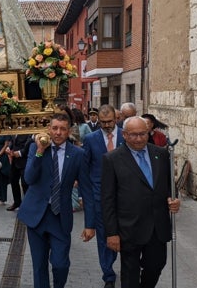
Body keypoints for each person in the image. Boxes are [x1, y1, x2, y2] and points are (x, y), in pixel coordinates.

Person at [17, 113, 95, 288]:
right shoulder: (35, 149)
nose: (58, 132)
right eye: (55, 128)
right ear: (48, 129)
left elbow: (87, 191)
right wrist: (39, 151)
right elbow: (29, 178)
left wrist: (90, 224)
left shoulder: (78, 154)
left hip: (60, 218)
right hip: (36, 216)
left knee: (60, 265)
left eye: (63, 129)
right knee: (39, 266)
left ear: (69, 131)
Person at [101, 116, 181, 288]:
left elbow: (169, 187)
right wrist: (111, 233)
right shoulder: (112, 159)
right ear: (124, 135)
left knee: (156, 265)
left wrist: (174, 200)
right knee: (130, 273)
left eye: (143, 134)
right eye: (134, 135)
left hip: (157, 227)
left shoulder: (160, 153)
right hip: (128, 227)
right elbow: (107, 199)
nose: (139, 139)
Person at [81, 104, 124, 288]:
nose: (106, 125)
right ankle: (108, 275)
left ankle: (130, 268)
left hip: (124, 196)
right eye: (103, 122)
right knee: (104, 237)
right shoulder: (90, 139)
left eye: (110, 122)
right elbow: (86, 165)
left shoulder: (125, 136)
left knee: (124, 234)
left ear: (116, 119)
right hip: (99, 196)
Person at [4, 134, 32, 211]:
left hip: (25, 161)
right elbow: (13, 142)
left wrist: (20, 153)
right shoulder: (15, 130)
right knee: (13, 181)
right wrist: (9, 148)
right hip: (15, 161)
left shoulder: (27, 131)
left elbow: (30, 143)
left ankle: (27, 205)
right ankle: (17, 202)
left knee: (25, 184)